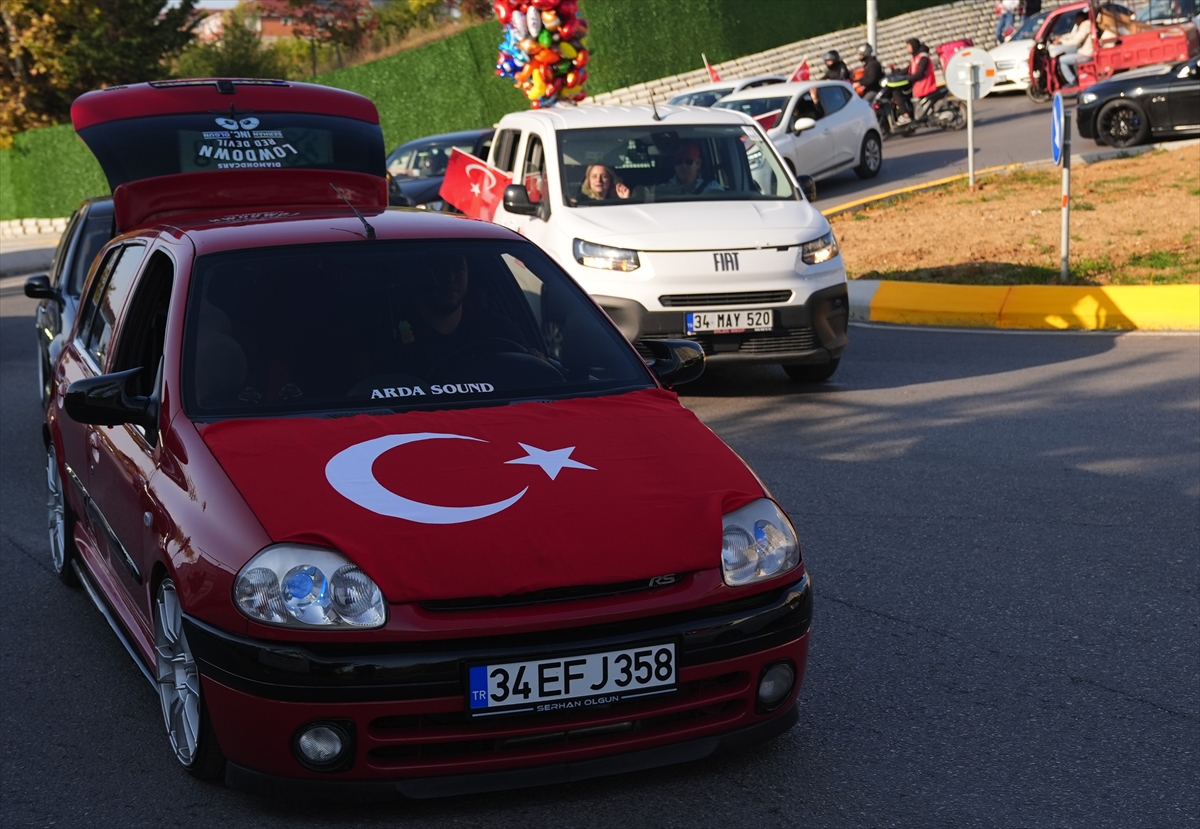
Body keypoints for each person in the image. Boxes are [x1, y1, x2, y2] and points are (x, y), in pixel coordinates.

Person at [396, 253, 531, 372]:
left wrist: (536, 358)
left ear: (468, 274)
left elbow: (529, 366)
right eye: (438, 269)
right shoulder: (392, 332)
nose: (450, 278)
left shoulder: (497, 329)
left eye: (457, 269)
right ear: (420, 274)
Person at [654, 143, 723, 196]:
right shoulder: (663, 190)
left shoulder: (713, 188)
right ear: (674, 165)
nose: (683, 166)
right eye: (678, 162)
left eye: (688, 161)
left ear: (698, 164)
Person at [895, 38, 936, 125]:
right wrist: (895, 75)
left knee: (897, 92)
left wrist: (906, 78)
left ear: (914, 46)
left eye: (908, 46)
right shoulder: (916, 57)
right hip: (918, 85)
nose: (907, 48)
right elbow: (908, 69)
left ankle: (906, 116)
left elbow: (919, 74)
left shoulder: (923, 57)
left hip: (925, 85)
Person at [1054, 11, 1092, 87]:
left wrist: (1061, 42)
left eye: (1077, 18)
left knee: (1062, 60)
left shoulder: (1086, 25)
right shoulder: (1085, 25)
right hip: (1084, 52)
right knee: (1068, 55)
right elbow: (1074, 35)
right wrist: (1062, 37)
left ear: (1081, 18)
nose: (1075, 21)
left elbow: (1076, 41)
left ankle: (1072, 81)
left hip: (1086, 54)